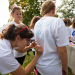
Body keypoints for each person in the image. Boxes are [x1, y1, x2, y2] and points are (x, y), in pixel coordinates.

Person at [34, 0, 69, 75]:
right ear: (53, 9)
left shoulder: (37, 23)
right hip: (52, 67)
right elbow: (62, 51)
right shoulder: (57, 22)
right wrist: (65, 67)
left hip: (39, 65)